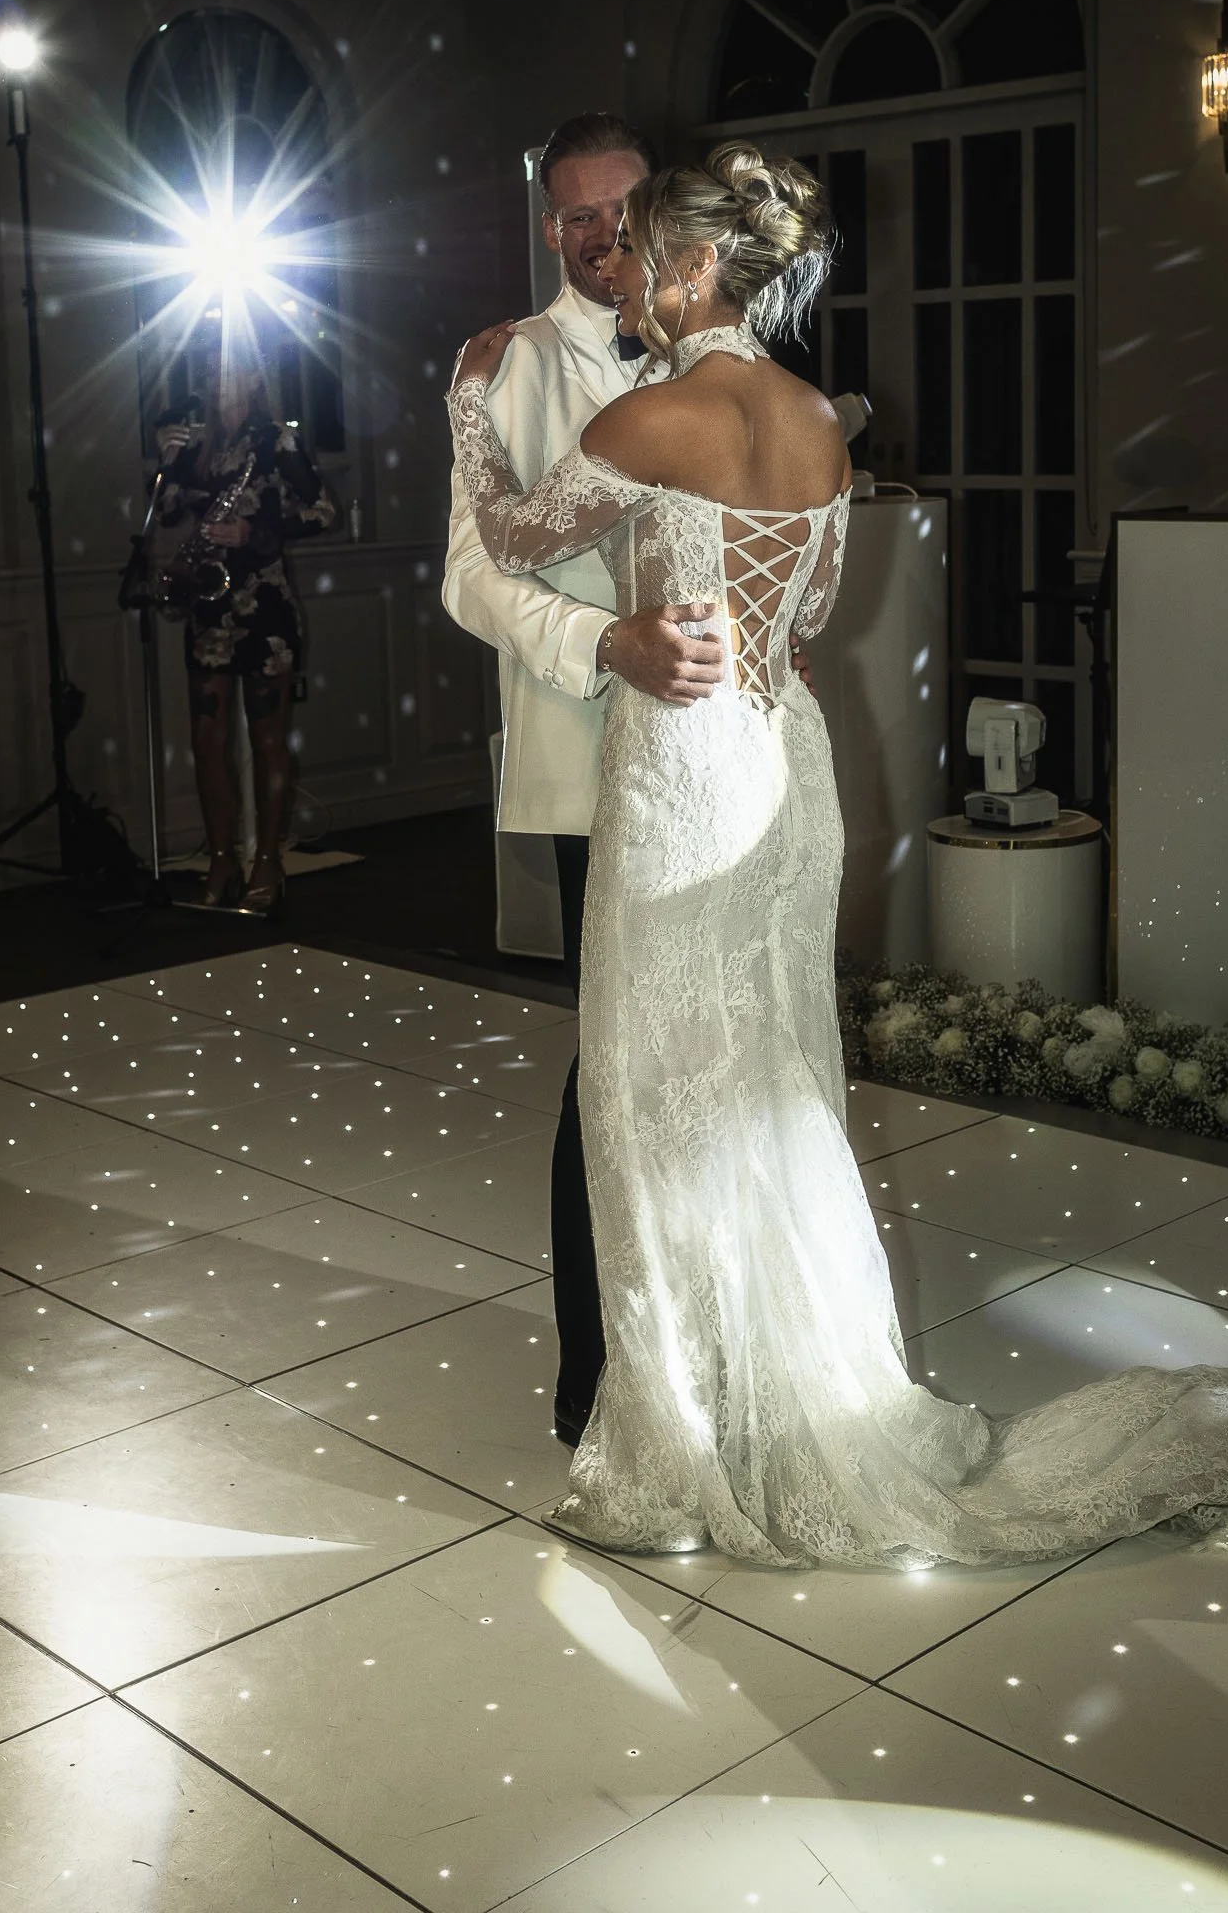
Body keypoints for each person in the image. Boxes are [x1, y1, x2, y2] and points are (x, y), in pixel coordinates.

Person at [445, 140, 1228, 1569]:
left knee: (651, 1084)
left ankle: (687, 1424)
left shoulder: (651, 421)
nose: (639, 288)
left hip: (677, 771)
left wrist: (470, 406)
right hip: (781, 763)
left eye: (649, 258)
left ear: (686, 265)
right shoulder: (817, 431)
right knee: (770, 1084)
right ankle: (778, 1383)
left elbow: (504, 529)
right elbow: (798, 628)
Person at [442, 112, 731, 1452]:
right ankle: (596, 1379)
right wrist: (595, 642)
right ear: (546, 227)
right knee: (611, 1067)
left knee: (710, 1057)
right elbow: (469, 574)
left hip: (717, 754)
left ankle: (710, 1336)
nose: (604, 241)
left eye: (625, 214)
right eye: (577, 219)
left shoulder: (718, 350)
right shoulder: (506, 366)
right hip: (591, 761)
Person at [155, 342, 336, 915]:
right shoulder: (199, 445)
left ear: (254, 379)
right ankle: (221, 859)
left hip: (265, 609)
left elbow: (325, 511)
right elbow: (166, 514)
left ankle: (268, 863)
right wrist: (168, 463)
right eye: (215, 370)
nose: (222, 379)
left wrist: (257, 529)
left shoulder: (277, 440)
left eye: (232, 370)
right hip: (210, 611)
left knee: (266, 739)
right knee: (206, 742)